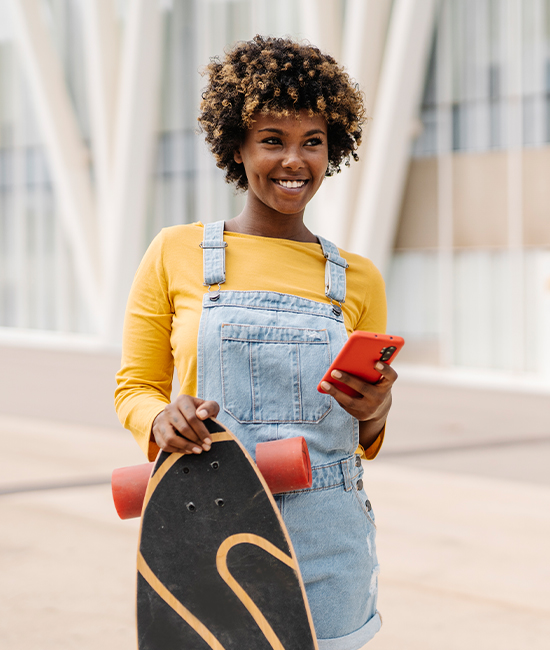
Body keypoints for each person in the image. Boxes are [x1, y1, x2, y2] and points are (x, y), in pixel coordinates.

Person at [115, 35, 397, 649]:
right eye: (273, 139)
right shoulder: (175, 252)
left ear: (334, 149)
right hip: (208, 525)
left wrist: (375, 412)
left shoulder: (358, 278)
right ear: (236, 146)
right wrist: (161, 419)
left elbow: (365, 438)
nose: (294, 160)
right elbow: (133, 388)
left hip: (329, 536)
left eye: (312, 142)